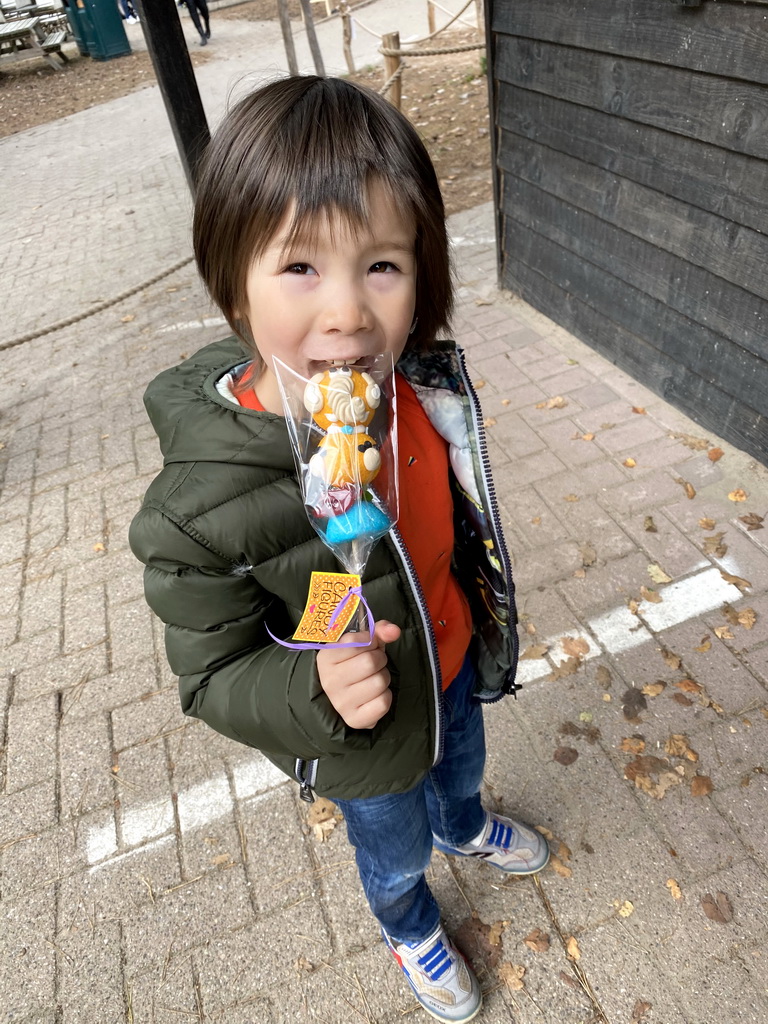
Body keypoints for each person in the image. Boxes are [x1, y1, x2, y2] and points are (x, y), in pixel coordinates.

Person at [129, 76, 549, 1024]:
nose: (350, 311)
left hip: (447, 665)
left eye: (384, 266)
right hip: (358, 737)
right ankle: (407, 923)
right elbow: (211, 676)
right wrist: (314, 694)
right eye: (301, 268)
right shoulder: (202, 508)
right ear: (231, 279)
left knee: (462, 768)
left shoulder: (417, 397)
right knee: (391, 845)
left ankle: (466, 822)